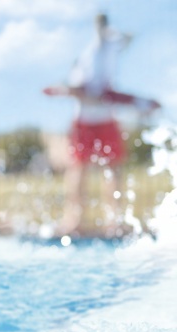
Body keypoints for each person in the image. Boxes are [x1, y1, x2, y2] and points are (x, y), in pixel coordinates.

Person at [43, 13, 160, 237]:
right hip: (85, 122)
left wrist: (139, 102)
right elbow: (78, 91)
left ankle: (115, 220)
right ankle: (73, 219)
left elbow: (127, 41)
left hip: (106, 120)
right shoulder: (89, 57)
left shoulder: (112, 48)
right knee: (78, 168)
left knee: (113, 168)